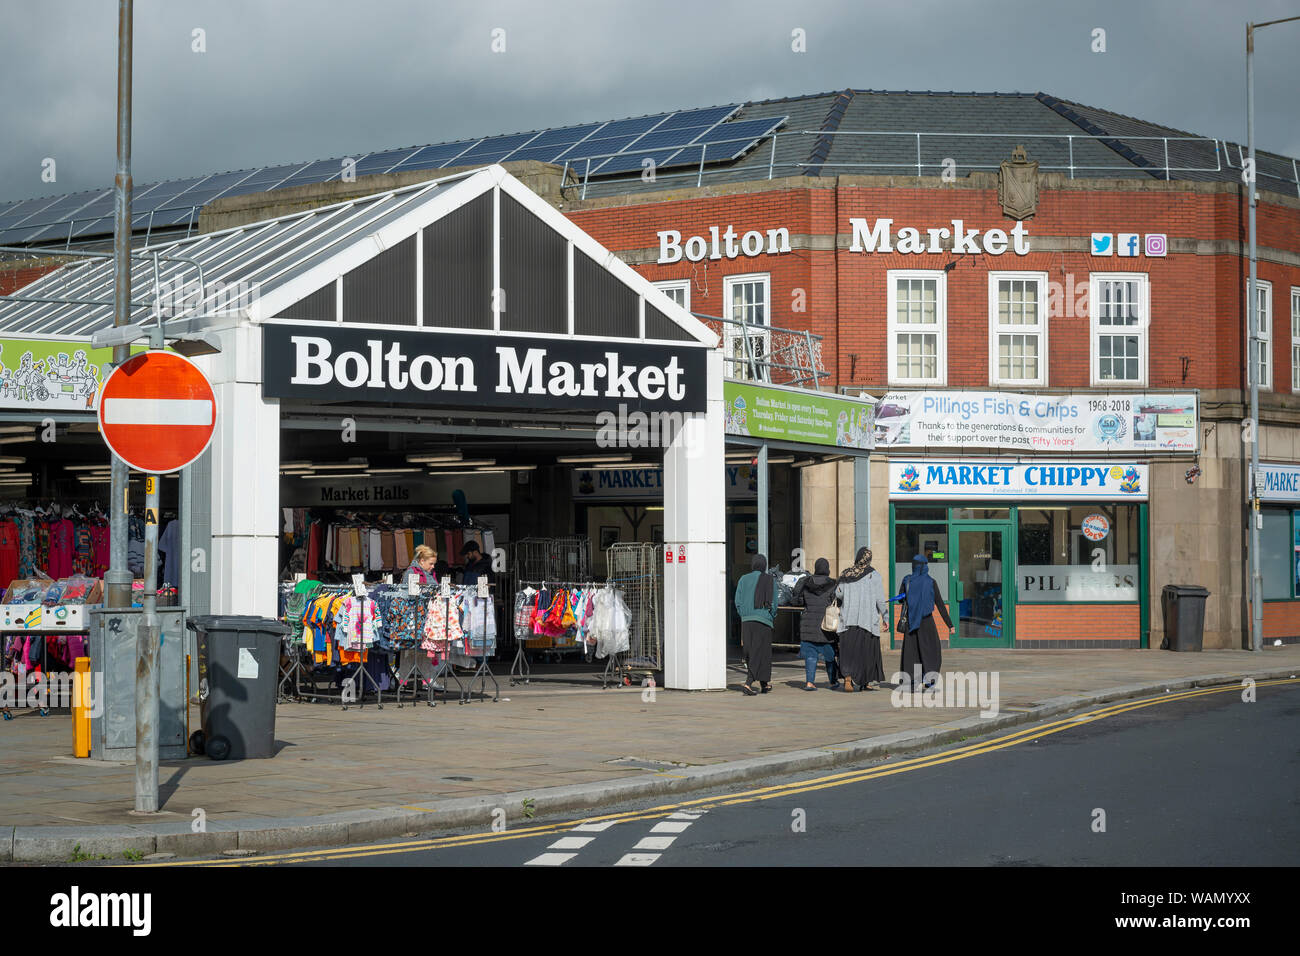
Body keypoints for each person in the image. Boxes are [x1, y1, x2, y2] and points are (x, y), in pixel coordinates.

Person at [893, 553, 953, 691]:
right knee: (932, 651)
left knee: (911, 652)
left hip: (910, 622)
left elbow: (900, 599)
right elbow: (939, 604)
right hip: (927, 622)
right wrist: (950, 624)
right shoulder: (931, 582)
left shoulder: (907, 580)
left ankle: (910, 683)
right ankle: (929, 680)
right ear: (925, 566)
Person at [835, 546, 890, 691]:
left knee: (849, 651)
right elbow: (880, 600)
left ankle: (848, 679)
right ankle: (865, 682)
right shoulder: (874, 576)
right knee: (866, 652)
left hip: (847, 620)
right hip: (866, 621)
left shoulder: (846, 574)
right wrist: (885, 616)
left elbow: (838, 594)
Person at [791, 557, 839, 691]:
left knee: (810, 655)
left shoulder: (806, 582)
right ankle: (833, 681)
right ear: (827, 569)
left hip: (808, 626)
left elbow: (796, 600)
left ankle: (809, 682)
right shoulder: (833, 584)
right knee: (829, 655)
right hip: (826, 626)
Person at [733, 553, 778, 695]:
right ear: (764, 565)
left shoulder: (743, 579)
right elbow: (774, 603)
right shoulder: (769, 579)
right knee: (760, 652)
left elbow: (737, 600)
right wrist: (771, 616)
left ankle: (764, 683)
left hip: (746, 620)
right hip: (763, 621)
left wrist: (744, 614)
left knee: (750, 650)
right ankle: (748, 683)